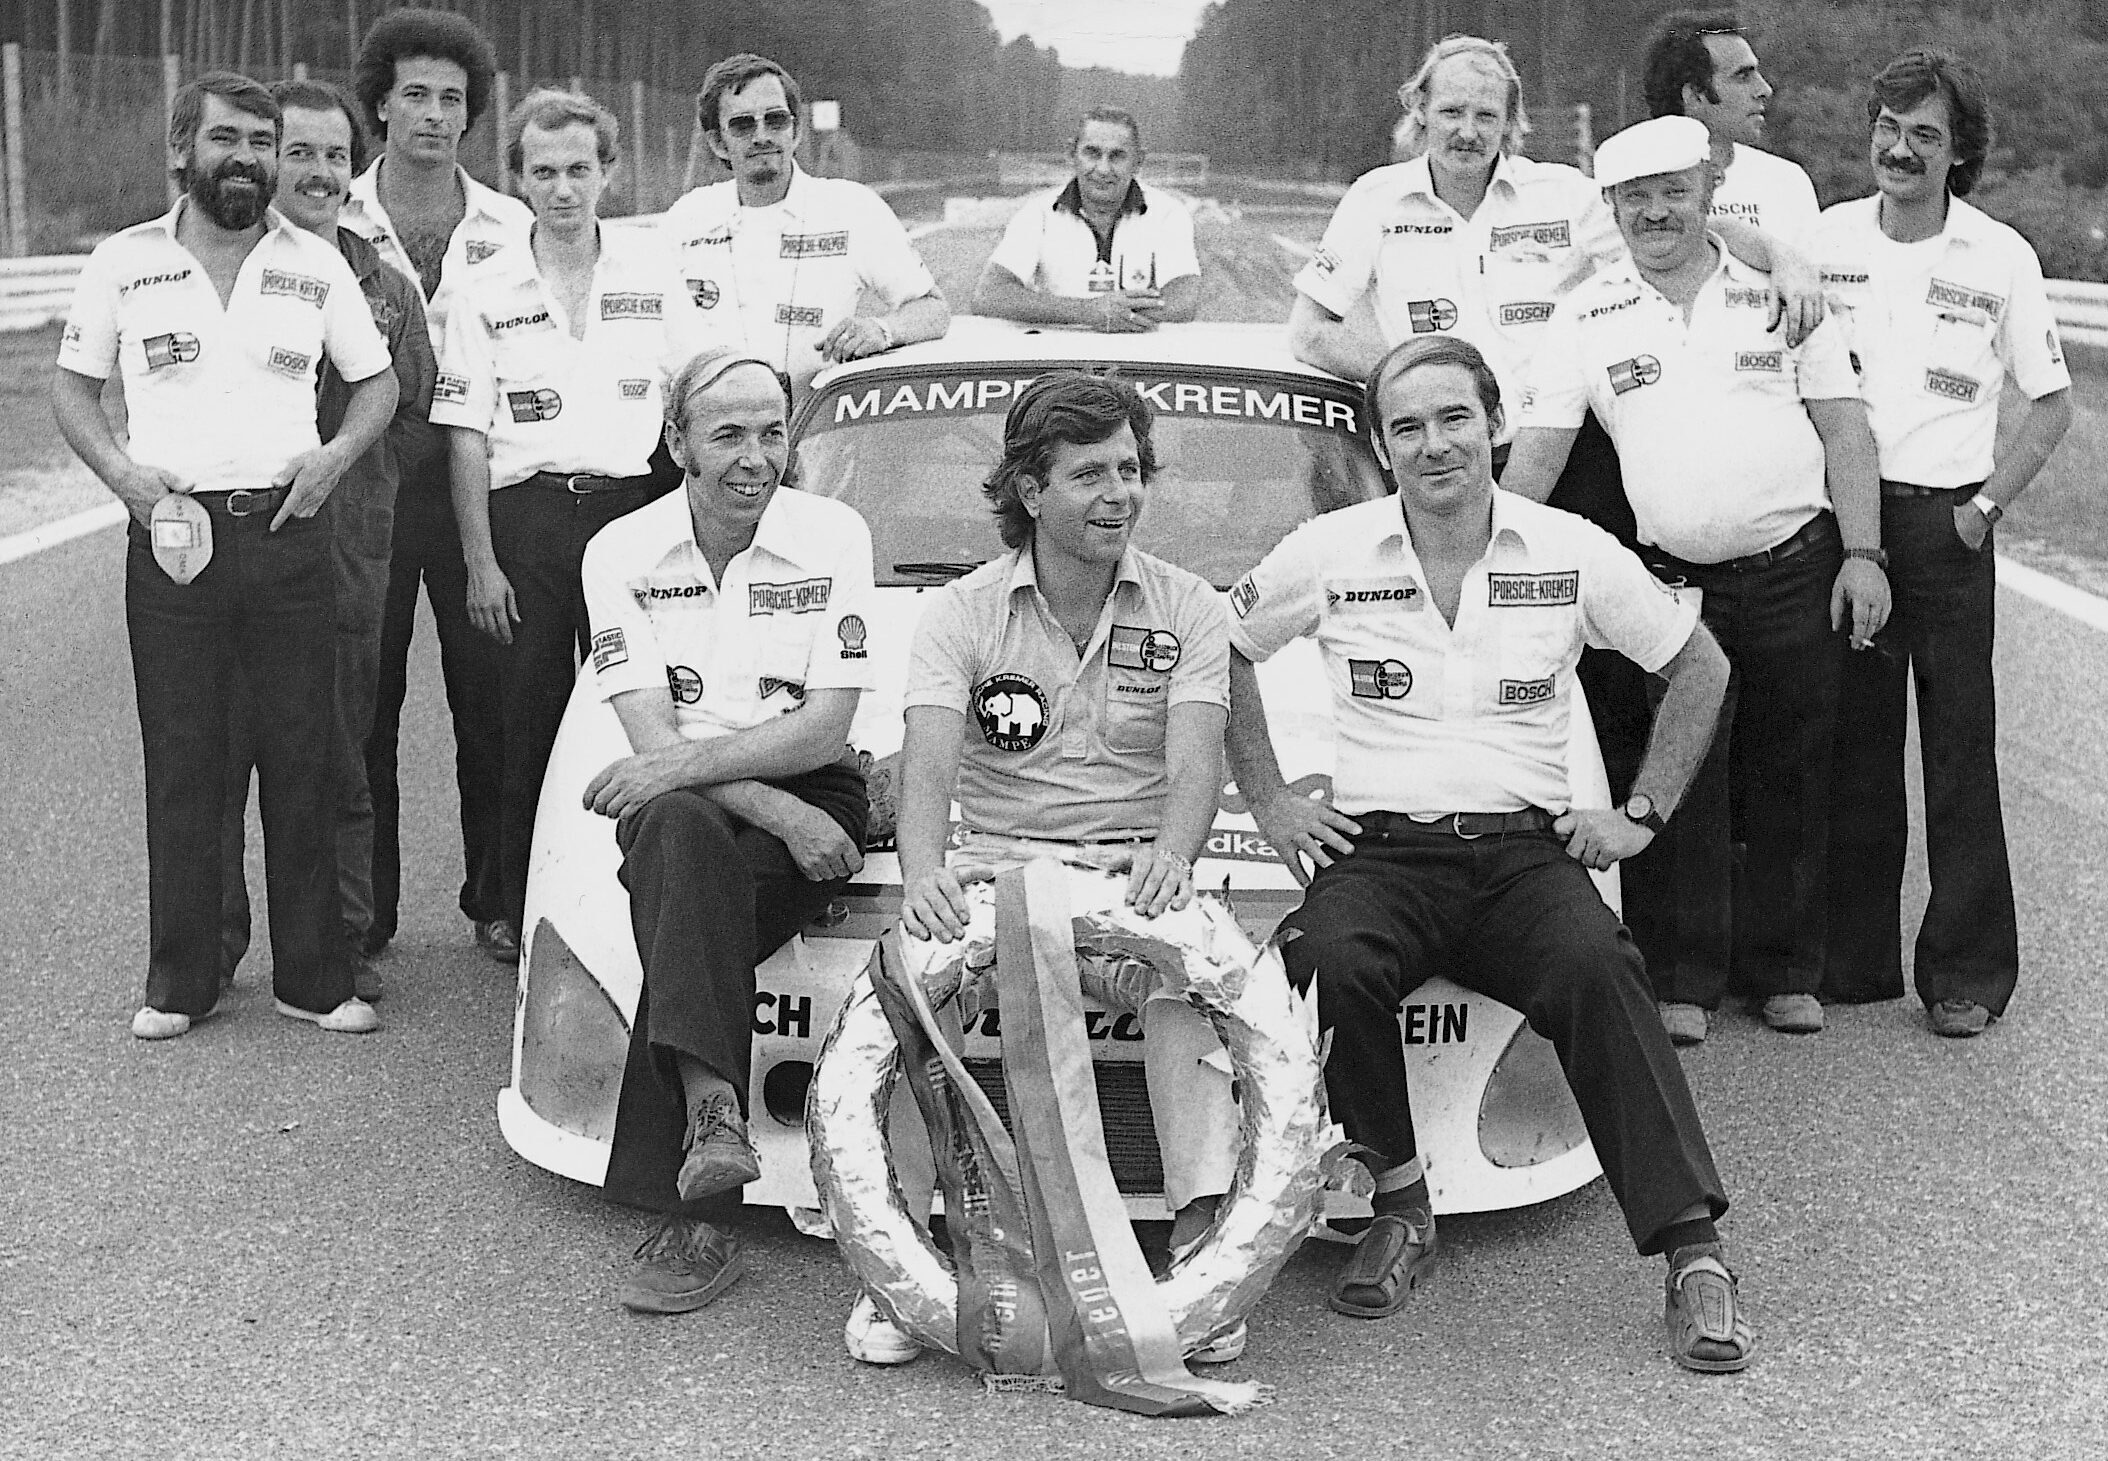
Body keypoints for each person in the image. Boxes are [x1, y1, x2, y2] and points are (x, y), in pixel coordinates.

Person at [1225, 333, 1751, 1372]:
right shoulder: (1327, 549)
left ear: (1494, 423)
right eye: (1407, 427)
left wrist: (1639, 813)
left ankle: (1694, 1256)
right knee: (1320, 958)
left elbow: (1698, 665)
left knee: (1602, 967)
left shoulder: (1568, 545)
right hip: (1379, 854)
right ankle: (1399, 1205)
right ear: (1380, 446)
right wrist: (1274, 800)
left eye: (1452, 418)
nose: (1433, 445)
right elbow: (1222, 655)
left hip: (1523, 856)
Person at [1290, 35, 1821, 810]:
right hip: (1441, 459)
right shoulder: (1376, 199)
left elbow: (1676, 233)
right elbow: (1311, 330)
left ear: (1512, 122)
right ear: (1418, 113)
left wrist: (1784, 257)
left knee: (1599, 663)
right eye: (1449, 112)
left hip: (1561, 453)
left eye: (1485, 114)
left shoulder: (1563, 195)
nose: (1466, 131)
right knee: (1464, 643)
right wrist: (1412, 382)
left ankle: (1608, 839)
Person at [869, 370, 1244, 1368]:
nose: (1120, 493)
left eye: (1130, 470)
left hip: (1131, 877)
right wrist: (921, 878)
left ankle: (1204, 1249)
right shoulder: (957, 613)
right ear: (1030, 492)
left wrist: (1171, 860)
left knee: (1191, 987)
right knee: (911, 985)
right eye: (1091, 474)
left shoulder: (1190, 609)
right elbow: (928, 765)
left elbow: (1194, 769)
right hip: (1000, 877)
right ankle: (905, 1252)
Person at [1501, 116, 1886, 1045]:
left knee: (1792, 767)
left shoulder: (1779, 293)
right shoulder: (1586, 315)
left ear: (1707, 191)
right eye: (1636, 199)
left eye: (1674, 192)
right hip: (1669, 584)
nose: (1656, 213)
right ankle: (1682, 979)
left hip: (1798, 565)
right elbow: (1541, 458)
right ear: (1612, 209)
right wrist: (1479, 557)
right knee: (1682, 773)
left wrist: (1866, 556)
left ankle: (1789, 971)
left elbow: (1846, 430)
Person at [53, 72, 398, 1039]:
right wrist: (127, 480)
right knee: (185, 763)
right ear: (182, 152)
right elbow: (73, 393)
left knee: (305, 758)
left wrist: (331, 463)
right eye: (226, 139)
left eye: (261, 140)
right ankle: (182, 982)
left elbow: (374, 386)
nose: (245, 157)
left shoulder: (317, 264)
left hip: (289, 531)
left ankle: (316, 979)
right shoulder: (124, 262)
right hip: (172, 537)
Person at [577, 349, 877, 1314]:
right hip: (722, 811)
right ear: (677, 445)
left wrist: (755, 788)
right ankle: (713, 1119)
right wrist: (772, 808)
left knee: (674, 852)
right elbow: (649, 740)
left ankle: (706, 1157)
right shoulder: (617, 550)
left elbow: (826, 728)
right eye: (729, 435)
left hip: (812, 786)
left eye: (772, 432)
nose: (757, 458)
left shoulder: (833, 532)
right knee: (676, 834)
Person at [1814, 50, 2071, 1035]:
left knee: (1957, 751)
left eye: (1924, 134)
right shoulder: (1826, 236)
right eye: (1887, 126)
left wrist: (1982, 511)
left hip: (1949, 524)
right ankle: (1852, 963)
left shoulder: (1999, 254)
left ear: (1957, 151)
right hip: (1848, 523)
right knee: (1855, 746)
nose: (1899, 148)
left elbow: (2048, 408)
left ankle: (1963, 975)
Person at [434, 88, 715, 954]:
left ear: (610, 174)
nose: (563, 189)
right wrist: (480, 562)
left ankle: (632, 899)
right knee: (520, 719)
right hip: (526, 521)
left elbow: (699, 395)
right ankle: (510, 906)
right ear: (515, 177)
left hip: (632, 514)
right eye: (544, 172)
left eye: (579, 171)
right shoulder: (482, 285)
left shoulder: (654, 272)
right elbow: (465, 436)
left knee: (651, 708)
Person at [219, 79, 437, 1005]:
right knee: (222, 752)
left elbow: (417, 405)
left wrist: (362, 481)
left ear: (356, 169)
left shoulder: (383, 286)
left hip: (348, 551)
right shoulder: (211, 268)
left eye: (333, 155)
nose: (315, 171)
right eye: (295, 151)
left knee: (339, 751)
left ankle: (340, 940)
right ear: (265, 158)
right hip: (233, 551)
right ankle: (214, 940)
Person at [344, 6, 532, 962]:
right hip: (366, 493)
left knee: (490, 701)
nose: (432, 113)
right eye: (413, 94)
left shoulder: (513, 223)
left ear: (472, 115)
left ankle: (497, 897)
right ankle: (362, 915)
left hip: (474, 490)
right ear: (379, 105)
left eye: (451, 98)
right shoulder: (329, 217)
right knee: (363, 707)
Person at [662, 53, 949, 396]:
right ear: (717, 142)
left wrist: (881, 329)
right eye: (742, 125)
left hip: (813, 427)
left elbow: (933, 310)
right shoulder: (687, 218)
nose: (761, 136)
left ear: (796, 131)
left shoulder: (851, 208)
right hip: (715, 429)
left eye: (776, 120)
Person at [972, 107, 1203, 331]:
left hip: (1139, 360)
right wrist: (1088, 311)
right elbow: (989, 295)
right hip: (1060, 360)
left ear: (1138, 160)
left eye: (1117, 156)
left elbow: (1182, 301)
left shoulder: (1168, 213)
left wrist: (1117, 314)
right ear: (1071, 154)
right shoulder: (1037, 214)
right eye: (1092, 153)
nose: (1103, 169)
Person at [1640, 9, 1820, 241]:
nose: (1765, 89)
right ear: (1695, 95)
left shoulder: (1786, 182)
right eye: (1743, 76)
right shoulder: (1629, 187)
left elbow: (1807, 274)